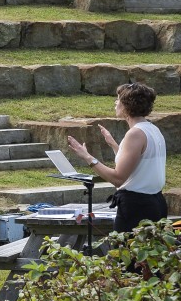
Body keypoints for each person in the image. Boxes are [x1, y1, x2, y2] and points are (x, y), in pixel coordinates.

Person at [67, 83, 167, 232]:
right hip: (156, 203)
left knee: (125, 254)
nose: (115, 102)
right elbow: (139, 165)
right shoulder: (153, 129)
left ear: (127, 106)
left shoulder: (135, 134)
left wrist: (87, 157)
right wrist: (114, 145)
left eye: (118, 99)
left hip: (137, 207)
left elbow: (118, 178)